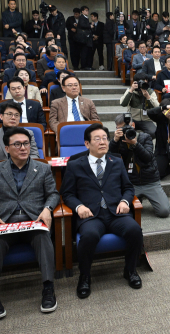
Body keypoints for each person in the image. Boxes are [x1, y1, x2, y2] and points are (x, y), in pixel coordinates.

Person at [0, 127, 59, 319]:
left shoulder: (43, 168)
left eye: (26, 144)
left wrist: (47, 209)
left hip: (34, 220)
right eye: (17, 144)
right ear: (7, 148)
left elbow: (53, 194)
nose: (23, 148)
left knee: (43, 236)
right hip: (5, 221)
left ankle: (48, 288)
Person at [61, 123, 144, 298]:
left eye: (105, 138)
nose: (102, 142)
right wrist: (79, 206)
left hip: (116, 213)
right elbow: (67, 193)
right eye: (97, 139)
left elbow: (128, 188)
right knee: (89, 235)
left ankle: (130, 270)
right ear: (87, 144)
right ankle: (85, 276)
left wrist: (124, 201)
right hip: (91, 215)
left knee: (135, 230)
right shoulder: (75, 164)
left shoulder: (117, 161)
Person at [109, 114, 170, 217]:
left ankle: (145, 198)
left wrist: (135, 144)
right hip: (131, 183)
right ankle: (137, 198)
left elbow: (148, 158)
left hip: (150, 181)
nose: (125, 130)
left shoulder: (145, 137)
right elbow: (110, 159)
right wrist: (114, 141)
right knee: (121, 210)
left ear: (133, 125)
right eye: (121, 128)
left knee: (164, 212)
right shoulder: (118, 141)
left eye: (126, 127)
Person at [120, 73, 159, 138]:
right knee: (125, 132)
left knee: (154, 132)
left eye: (144, 80)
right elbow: (123, 104)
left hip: (146, 120)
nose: (142, 83)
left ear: (147, 81)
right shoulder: (130, 91)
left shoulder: (150, 91)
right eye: (140, 81)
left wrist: (148, 97)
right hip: (133, 119)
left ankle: (144, 142)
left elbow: (157, 106)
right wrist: (131, 91)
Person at [75, 6, 93, 70]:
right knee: (84, 53)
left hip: (87, 38)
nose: (87, 11)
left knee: (88, 52)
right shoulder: (81, 17)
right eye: (85, 10)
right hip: (83, 39)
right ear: (82, 11)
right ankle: (83, 66)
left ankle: (88, 65)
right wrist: (90, 26)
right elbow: (82, 25)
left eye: (87, 10)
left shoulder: (86, 18)